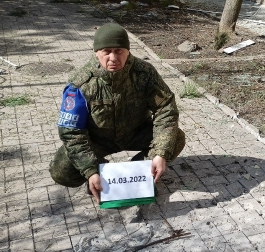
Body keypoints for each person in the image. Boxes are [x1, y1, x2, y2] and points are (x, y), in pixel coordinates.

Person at [49, 23, 186, 203]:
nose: (113, 57)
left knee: (176, 138)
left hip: (136, 133)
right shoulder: (81, 84)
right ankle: (103, 176)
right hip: (98, 140)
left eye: (119, 50)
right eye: (107, 51)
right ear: (97, 52)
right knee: (61, 171)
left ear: (127, 51)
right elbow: (72, 133)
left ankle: (136, 174)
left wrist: (159, 153)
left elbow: (165, 108)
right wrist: (90, 171)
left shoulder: (144, 73)